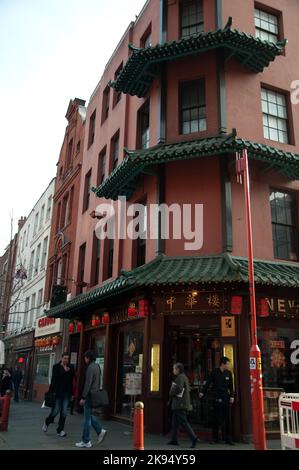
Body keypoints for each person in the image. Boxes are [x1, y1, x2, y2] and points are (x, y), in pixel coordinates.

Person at [75, 350, 107, 448]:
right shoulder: (97, 367)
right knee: (89, 415)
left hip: (89, 396)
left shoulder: (90, 368)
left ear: (88, 358)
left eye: (85, 357)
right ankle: (100, 430)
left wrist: (83, 397)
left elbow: (87, 384)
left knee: (86, 419)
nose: (84, 359)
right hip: (95, 394)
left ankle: (86, 440)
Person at [199, 356, 234, 445]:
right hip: (217, 397)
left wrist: (232, 396)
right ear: (223, 364)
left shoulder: (229, 373)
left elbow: (231, 386)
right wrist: (203, 392)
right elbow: (208, 383)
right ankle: (215, 438)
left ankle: (228, 439)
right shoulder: (215, 372)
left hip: (226, 397)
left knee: (227, 419)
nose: (228, 366)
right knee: (216, 419)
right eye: (227, 364)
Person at [42, 353, 74, 437]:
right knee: (55, 411)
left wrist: (72, 394)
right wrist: (64, 371)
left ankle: (60, 430)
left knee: (64, 412)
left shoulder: (71, 367)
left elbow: (71, 382)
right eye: (65, 358)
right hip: (58, 393)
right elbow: (55, 378)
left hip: (67, 393)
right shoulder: (56, 367)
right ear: (61, 358)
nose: (66, 360)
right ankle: (47, 422)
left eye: (67, 359)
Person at [167, 362, 199, 448]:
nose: (173, 370)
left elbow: (179, 388)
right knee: (175, 422)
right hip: (180, 403)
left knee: (184, 422)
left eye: (174, 369)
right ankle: (174, 439)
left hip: (180, 404)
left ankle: (194, 438)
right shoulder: (183, 377)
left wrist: (171, 392)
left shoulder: (180, 378)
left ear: (178, 369)